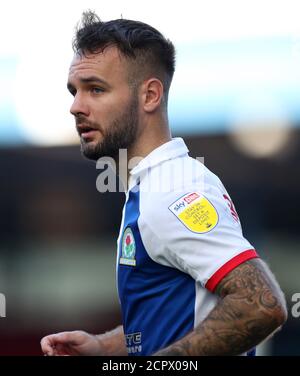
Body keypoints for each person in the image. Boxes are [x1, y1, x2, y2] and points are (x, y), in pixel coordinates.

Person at [40, 10, 287, 356]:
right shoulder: (155, 185)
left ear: (150, 96)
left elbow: (260, 305)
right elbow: (183, 315)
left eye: (96, 89)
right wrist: (103, 345)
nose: (76, 106)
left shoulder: (173, 191)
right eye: (74, 91)